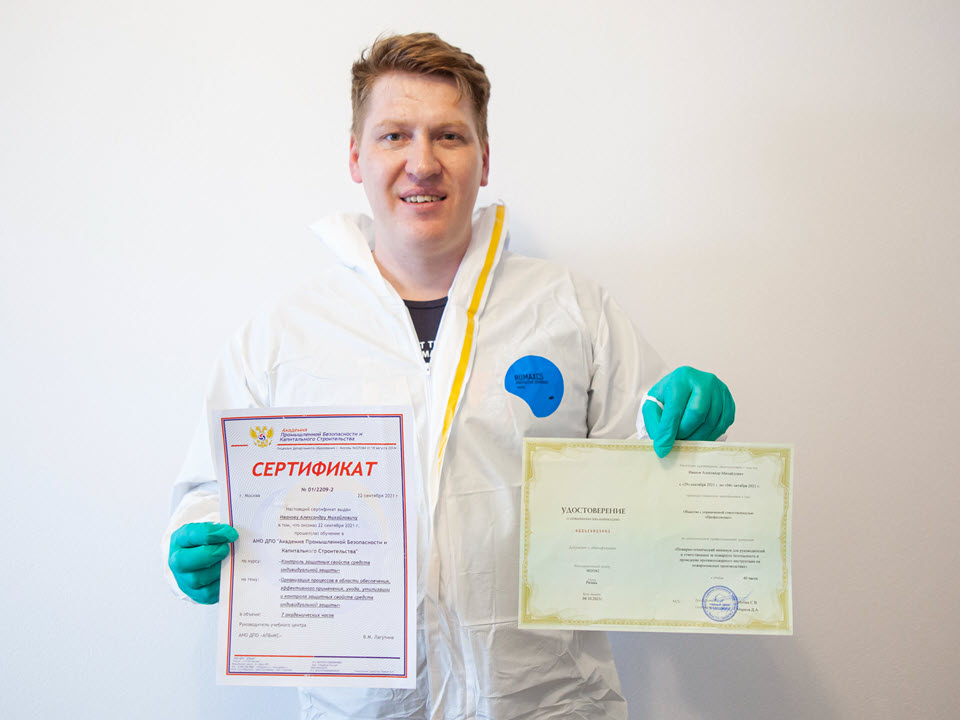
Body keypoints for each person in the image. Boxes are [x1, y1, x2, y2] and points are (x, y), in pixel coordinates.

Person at [164, 32, 735, 719]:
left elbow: (648, 469)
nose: (422, 163)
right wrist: (201, 535)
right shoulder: (284, 335)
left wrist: (688, 424)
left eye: (449, 136)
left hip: (545, 706)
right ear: (356, 156)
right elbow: (213, 491)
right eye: (394, 136)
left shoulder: (570, 310)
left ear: (484, 158)